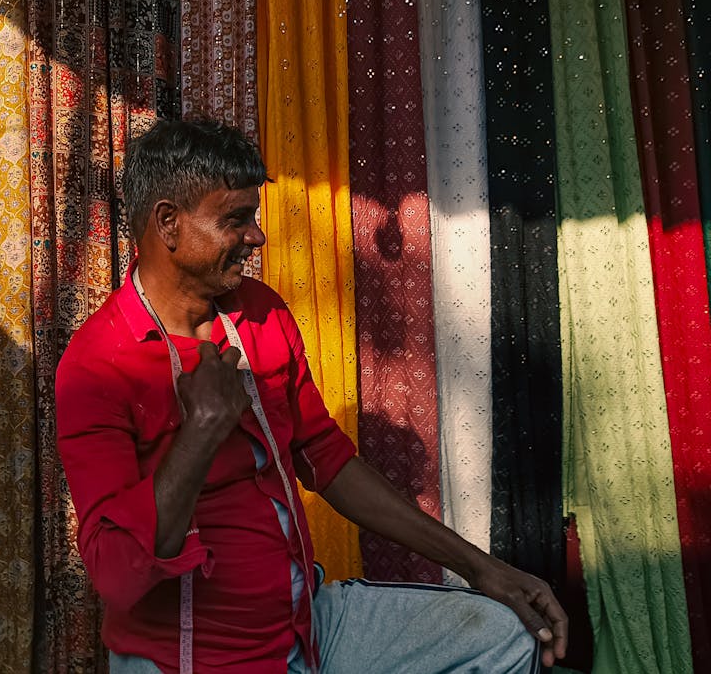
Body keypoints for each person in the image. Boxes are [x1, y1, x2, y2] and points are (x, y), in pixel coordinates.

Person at [56, 119, 568, 674]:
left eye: (253, 216)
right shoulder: (96, 366)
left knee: (507, 636)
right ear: (168, 223)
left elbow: (326, 458)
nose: (256, 236)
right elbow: (116, 574)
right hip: (196, 657)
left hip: (309, 625)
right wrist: (200, 432)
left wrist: (479, 567)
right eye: (235, 219)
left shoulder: (261, 310)